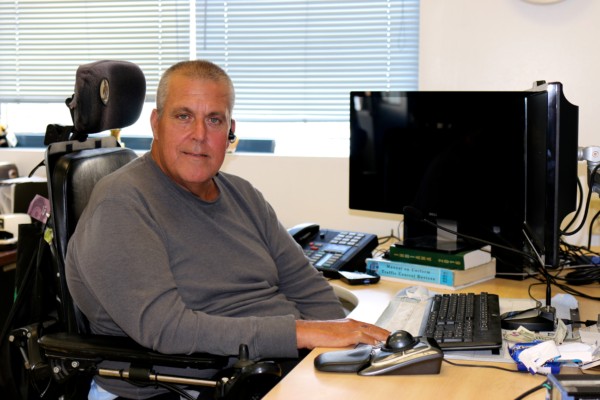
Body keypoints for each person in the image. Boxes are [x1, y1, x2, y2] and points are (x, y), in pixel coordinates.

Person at [66, 60, 389, 399]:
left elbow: (309, 289)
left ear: (230, 131)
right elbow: (166, 329)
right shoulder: (122, 203)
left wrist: (342, 354)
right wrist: (299, 333)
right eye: (183, 116)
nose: (200, 135)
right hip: (189, 385)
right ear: (156, 123)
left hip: (271, 370)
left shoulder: (243, 195)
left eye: (214, 120)